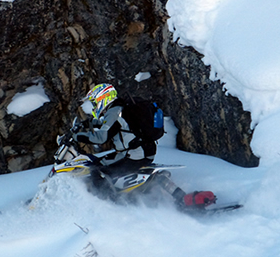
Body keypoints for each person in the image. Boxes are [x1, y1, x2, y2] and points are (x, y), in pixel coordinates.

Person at [72, 83, 216, 208]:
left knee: (95, 169)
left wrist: (76, 136)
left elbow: (101, 137)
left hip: (134, 154)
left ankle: (106, 202)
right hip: (144, 151)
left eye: (94, 101)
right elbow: (112, 124)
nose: (93, 105)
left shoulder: (114, 112)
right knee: (101, 163)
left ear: (102, 98)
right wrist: (88, 124)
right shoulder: (121, 108)